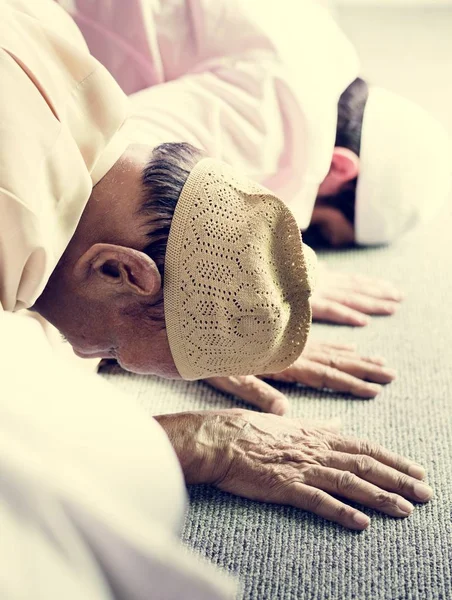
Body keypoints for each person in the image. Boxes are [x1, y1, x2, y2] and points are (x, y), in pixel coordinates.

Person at [0, 6, 433, 592]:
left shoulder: (60, 52)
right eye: (108, 348)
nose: (90, 356)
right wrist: (202, 442)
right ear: (118, 270)